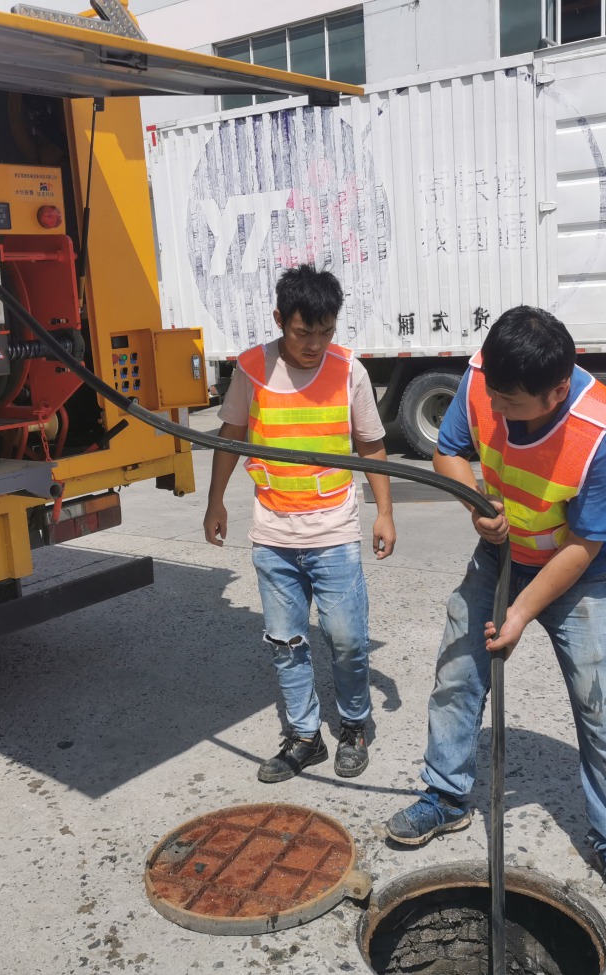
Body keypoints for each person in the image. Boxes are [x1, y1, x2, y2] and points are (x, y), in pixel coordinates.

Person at [383, 305, 606, 924]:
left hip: (581, 571)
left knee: (603, 706)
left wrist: (522, 613)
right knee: (457, 671)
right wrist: (477, 509)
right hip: (501, 551)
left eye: (515, 405)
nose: (500, 414)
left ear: (558, 389)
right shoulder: (486, 379)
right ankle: (445, 796)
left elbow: (586, 546)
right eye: (496, 399)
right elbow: (450, 453)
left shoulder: (602, 435)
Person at [204, 264, 395, 784]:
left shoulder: (349, 370)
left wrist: (384, 512)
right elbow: (231, 434)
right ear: (279, 320)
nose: (314, 344)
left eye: (325, 331)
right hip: (273, 534)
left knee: (347, 639)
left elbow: (371, 444)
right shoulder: (252, 369)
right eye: (302, 331)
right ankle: (305, 737)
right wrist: (215, 501)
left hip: (334, 530)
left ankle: (353, 726)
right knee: (286, 642)